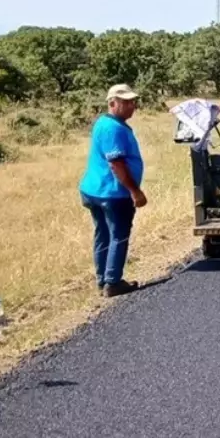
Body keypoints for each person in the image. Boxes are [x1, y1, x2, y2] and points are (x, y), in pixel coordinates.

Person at [78, 84, 145, 298]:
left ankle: (103, 279)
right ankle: (113, 282)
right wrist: (135, 191)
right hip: (112, 192)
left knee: (103, 234)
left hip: (94, 189)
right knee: (118, 235)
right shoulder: (113, 128)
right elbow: (116, 163)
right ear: (112, 103)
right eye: (125, 102)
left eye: (132, 101)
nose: (131, 106)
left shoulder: (105, 123)